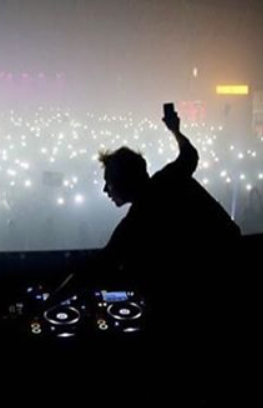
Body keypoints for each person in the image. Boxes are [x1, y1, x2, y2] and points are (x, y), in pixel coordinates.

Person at [53, 105, 241, 327]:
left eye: (108, 182)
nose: (105, 190)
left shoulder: (137, 221)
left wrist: (49, 302)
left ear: (123, 181)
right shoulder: (171, 177)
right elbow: (190, 154)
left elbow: (97, 267)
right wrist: (175, 130)